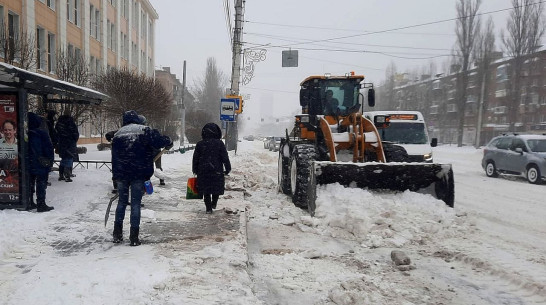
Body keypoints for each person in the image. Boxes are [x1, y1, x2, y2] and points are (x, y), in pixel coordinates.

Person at [111, 110, 172, 246]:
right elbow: (159, 141)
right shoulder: (145, 130)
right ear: (137, 119)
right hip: (138, 173)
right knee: (135, 204)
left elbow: (114, 157)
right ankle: (134, 237)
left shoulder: (118, 134)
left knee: (121, 202)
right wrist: (168, 141)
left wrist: (115, 175)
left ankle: (117, 233)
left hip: (121, 174)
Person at [192, 123, 231, 214]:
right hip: (216, 170)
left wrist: (195, 169)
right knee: (216, 188)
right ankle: (214, 203)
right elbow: (225, 157)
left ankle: (208, 208)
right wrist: (228, 168)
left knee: (206, 190)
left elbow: (195, 158)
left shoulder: (200, 144)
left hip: (203, 170)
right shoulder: (220, 144)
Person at [27, 112, 55, 212]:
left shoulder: (24, 134)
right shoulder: (42, 133)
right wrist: (50, 161)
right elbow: (49, 148)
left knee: (30, 183)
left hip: (28, 162)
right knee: (41, 183)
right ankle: (41, 204)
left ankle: (29, 201)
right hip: (41, 163)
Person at [55, 112, 79, 182]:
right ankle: (67, 175)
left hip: (61, 144)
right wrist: (73, 140)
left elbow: (56, 134)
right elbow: (75, 134)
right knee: (69, 159)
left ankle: (61, 175)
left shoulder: (59, 124)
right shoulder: (71, 123)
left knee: (63, 159)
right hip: (70, 144)